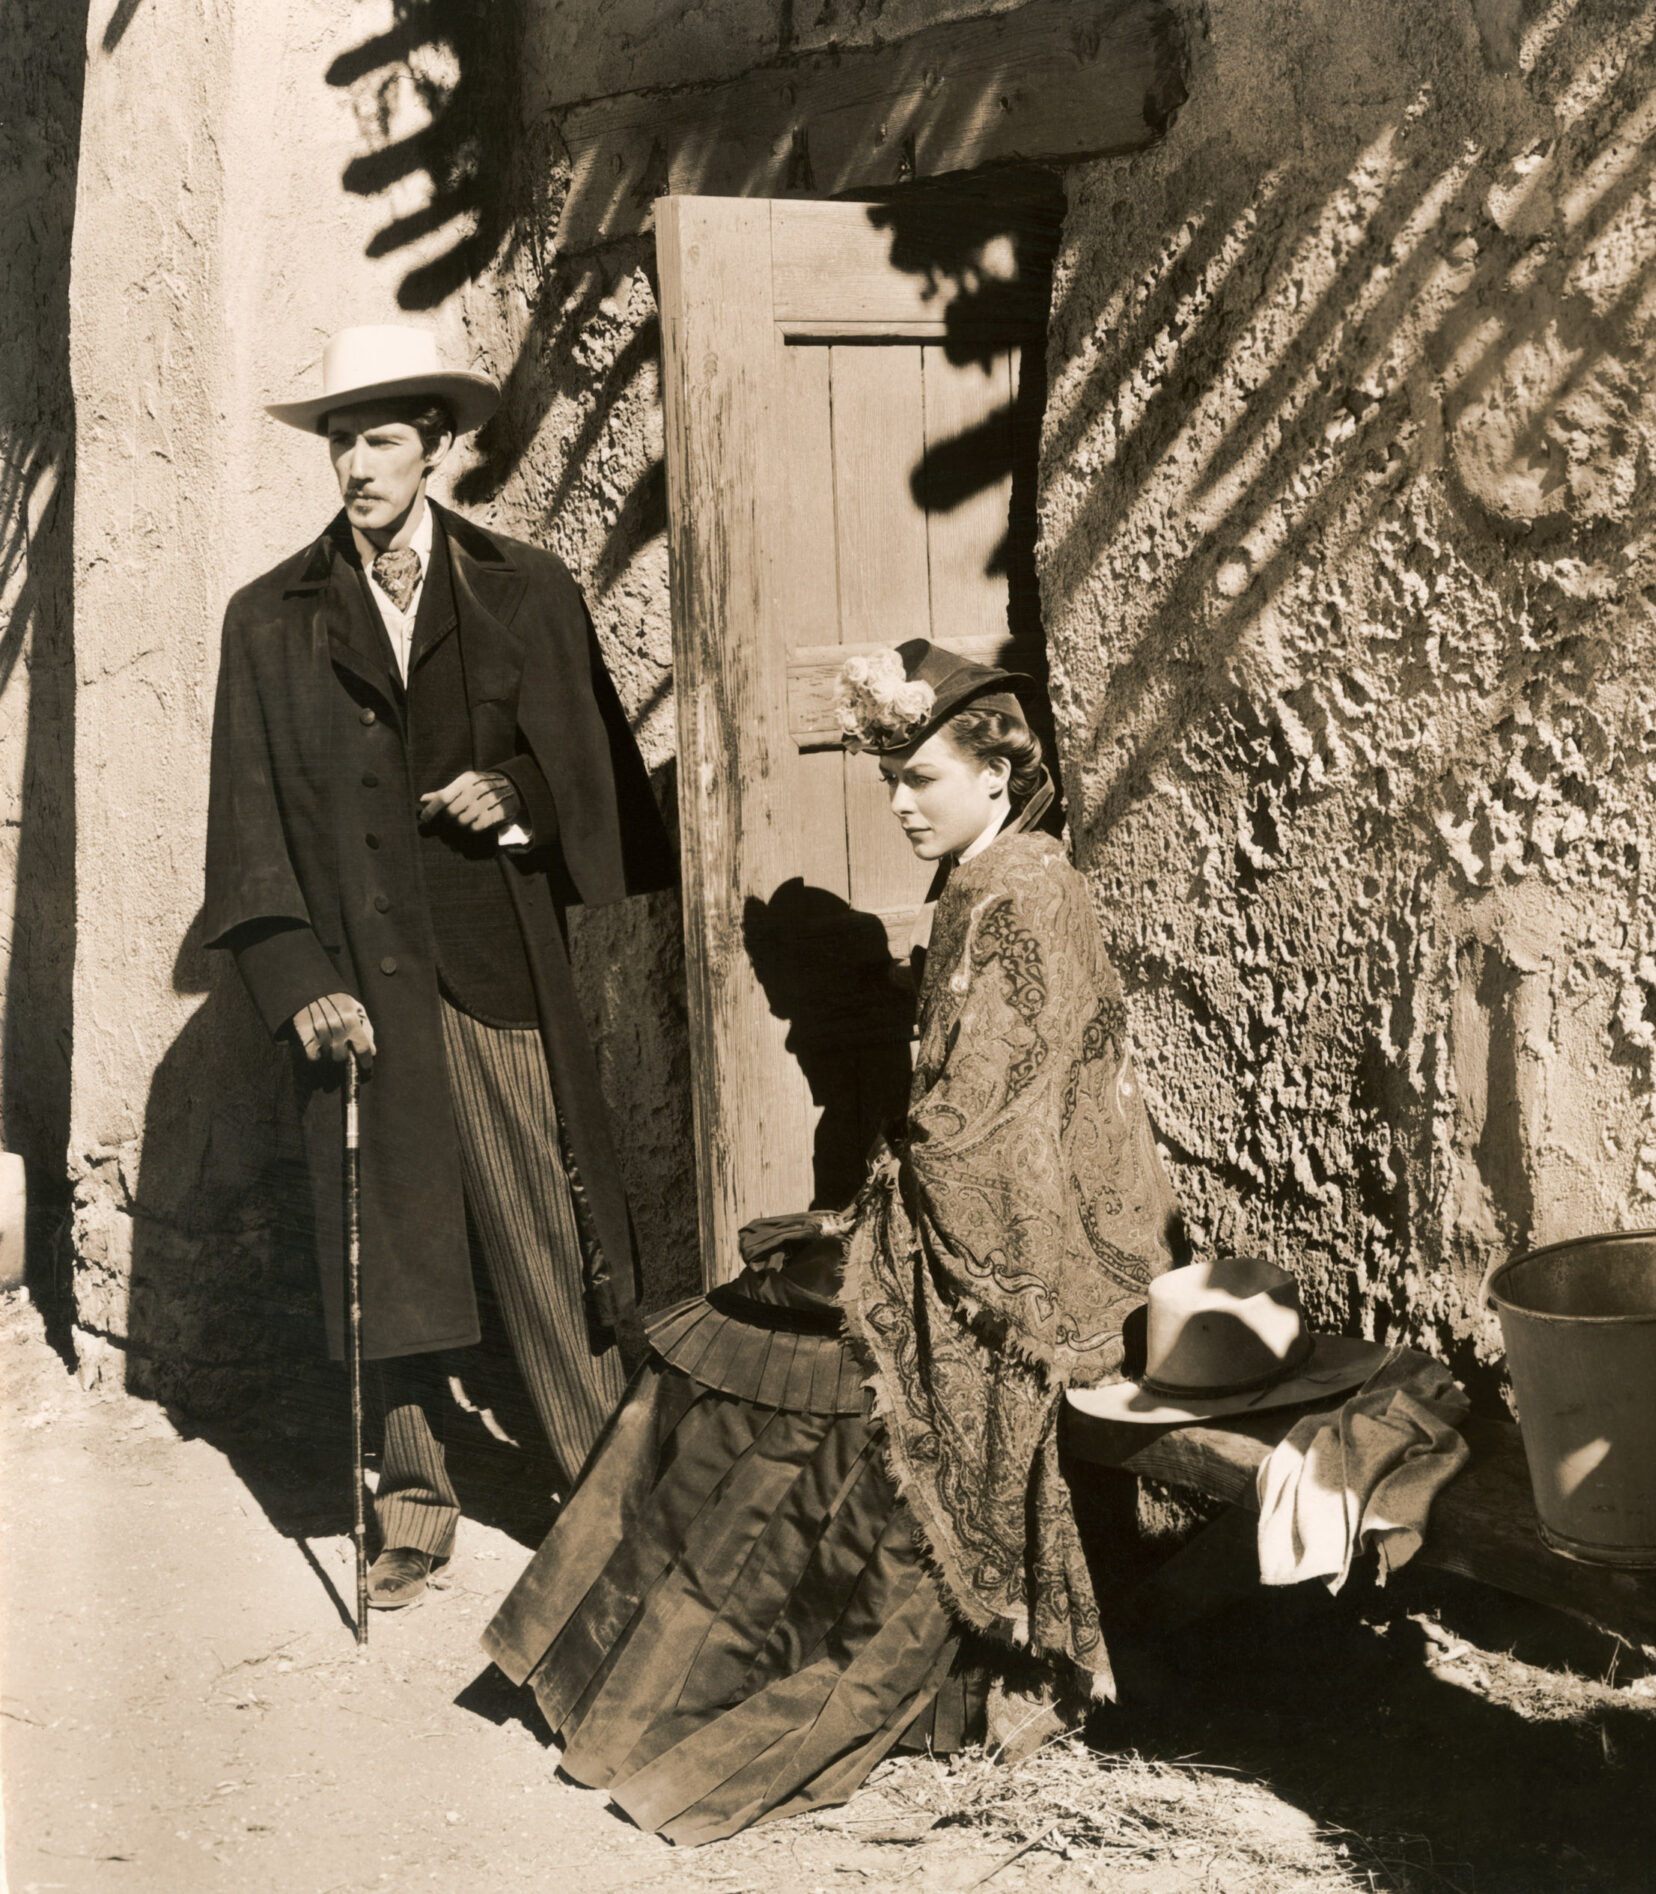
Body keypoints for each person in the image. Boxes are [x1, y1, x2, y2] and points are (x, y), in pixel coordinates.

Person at [480, 641, 1174, 1846]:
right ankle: (629, 1656)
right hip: (968, 1205)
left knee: (776, 1338)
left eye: (922, 779)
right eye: (890, 782)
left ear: (998, 775)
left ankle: (745, 1664)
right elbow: (964, 1111)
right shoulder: (986, 879)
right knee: (743, 1326)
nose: (900, 804)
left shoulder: (1025, 891)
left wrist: (884, 1214)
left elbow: (1000, 1124)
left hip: (1034, 1243)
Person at [203, 325, 675, 1609]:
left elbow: (595, 780)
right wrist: (300, 980)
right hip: (356, 977)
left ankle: (602, 1486)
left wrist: (510, 791)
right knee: (382, 1238)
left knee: (542, 1222)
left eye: (384, 439)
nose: (357, 465)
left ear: (438, 447)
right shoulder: (271, 619)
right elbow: (246, 831)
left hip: (489, 964)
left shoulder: (522, 586)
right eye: (341, 442)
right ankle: (410, 1500)